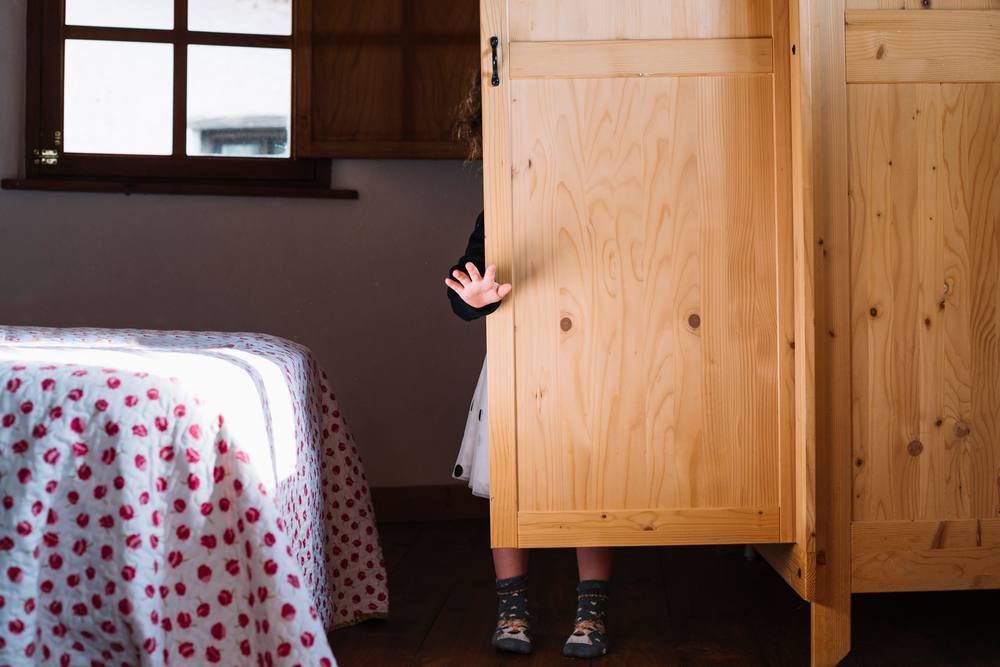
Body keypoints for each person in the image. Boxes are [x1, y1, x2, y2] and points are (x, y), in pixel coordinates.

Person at [443, 74, 613, 659]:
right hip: (518, 365)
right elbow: (463, 287)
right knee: (508, 485)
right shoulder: (501, 209)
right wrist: (476, 298)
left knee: (591, 482)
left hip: (588, 362)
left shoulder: (599, 198)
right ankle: (512, 609)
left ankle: (591, 611)